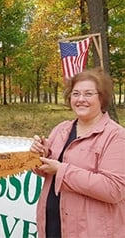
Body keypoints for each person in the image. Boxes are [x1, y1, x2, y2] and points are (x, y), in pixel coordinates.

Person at [30, 67, 125, 238]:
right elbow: (46, 170)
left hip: (92, 231)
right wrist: (38, 156)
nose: (81, 99)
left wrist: (61, 170)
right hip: (52, 226)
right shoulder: (61, 129)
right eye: (76, 94)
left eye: (88, 94)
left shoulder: (116, 136)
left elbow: (113, 189)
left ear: (101, 98)